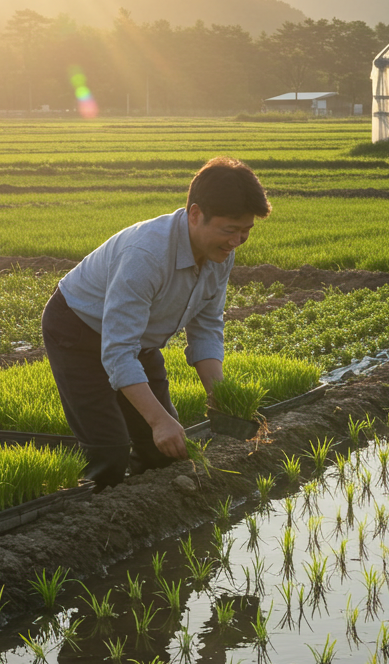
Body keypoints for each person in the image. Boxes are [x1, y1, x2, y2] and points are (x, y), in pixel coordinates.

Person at [41, 157, 271, 489]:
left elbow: (206, 327)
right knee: (109, 451)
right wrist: (158, 421)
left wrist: (219, 396)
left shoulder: (220, 253)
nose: (237, 240)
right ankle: (94, 512)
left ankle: (144, 506)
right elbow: (118, 352)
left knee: (165, 453)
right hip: (77, 330)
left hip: (138, 340)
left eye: (246, 230)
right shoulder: (146, 255)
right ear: (195, 214)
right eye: (229, 230)